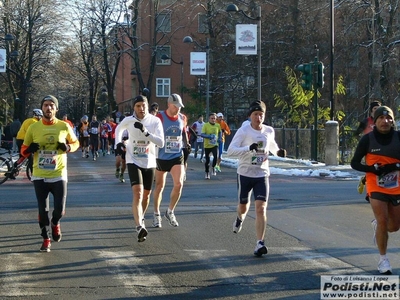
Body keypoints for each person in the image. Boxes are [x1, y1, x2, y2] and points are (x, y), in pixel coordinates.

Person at [227, 100, 286, 256]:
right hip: (245, 173)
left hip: (262, 174)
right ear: (250, 116)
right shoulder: (244, 131)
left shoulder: (268, 130)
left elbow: (271, 144)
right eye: (255, 114)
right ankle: (239, 219)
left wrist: (278, 152)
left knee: (261, 208)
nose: (258, 118)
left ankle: (260, 243)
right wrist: (248, 148)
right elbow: (230, 151)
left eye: (261, 114)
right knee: (243, 207)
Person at [20, 95, 79, 252]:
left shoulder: (64, 126)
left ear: (56, 109)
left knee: (59, 209)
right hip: (39, 174)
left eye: (52, 105)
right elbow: (23, 149)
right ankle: (46, 239)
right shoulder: (33, 127)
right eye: (46, 105)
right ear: (42, 108)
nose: (48, 108)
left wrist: (67, 148)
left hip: (59, 174)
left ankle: (55, 223)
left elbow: (75, 143)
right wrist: (29, 149)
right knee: (42, 210)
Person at [351, 106, 400, 274]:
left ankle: (378, 226)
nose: (385, 121)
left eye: (388, 119)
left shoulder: (398, 137)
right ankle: (383, 260)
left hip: (396, 185)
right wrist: (372, 169)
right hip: (375, 184)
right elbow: (354, 163)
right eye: (381, 118)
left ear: (393, 121)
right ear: (375, 121)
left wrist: (395, 165)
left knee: (394, 226)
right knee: (383, 220)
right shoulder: (367, 139)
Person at [115, 95, 164, 242]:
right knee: (138, 192)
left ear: (147, 106)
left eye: (143, 106)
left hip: (149, 162)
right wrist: (119, 143)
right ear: (134, 108)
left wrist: (146, 132)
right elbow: (118, 130)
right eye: (138, 106)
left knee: (146, 195)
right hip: (133, 160)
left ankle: (141, 217)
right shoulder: (128, 120)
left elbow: (161, 143)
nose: (141, 109)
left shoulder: (154, 121)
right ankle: (139, 226)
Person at [153, 93, 188, 228]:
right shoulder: (159, 117)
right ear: (169, 104)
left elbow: (183, 133)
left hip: (176, 156)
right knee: (159, 186)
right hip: (161, 156)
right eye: (175, 106)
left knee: (178, 184)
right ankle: (156, 213)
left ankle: (170, 211)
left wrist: (187, 145)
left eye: (180, 106)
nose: (178, 108)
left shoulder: (182, 118)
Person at [355, 101, 381, 201]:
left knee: (379, 171)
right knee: (372, 170)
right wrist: (363, 140)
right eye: (375, 109)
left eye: (378, 108)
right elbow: (357, 133)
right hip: (370, 149)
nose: (377, 111)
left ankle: (366, 181)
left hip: (382, 149)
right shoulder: (366, 121)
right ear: (371, 111)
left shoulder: (384, 120)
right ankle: (369, 193)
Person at [201, 113, 222, 179]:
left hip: (215, 144)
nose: (213, 120)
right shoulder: (205, 125)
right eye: (212, 118)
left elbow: (220, 132)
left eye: (214, 118)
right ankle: (207, 172)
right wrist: (209, 136)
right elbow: (202, 134)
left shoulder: (217, 125)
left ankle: (213, 167)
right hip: (207, 145)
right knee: (207, 160)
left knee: (216, 156)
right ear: (209, 119)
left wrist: (219, 138)